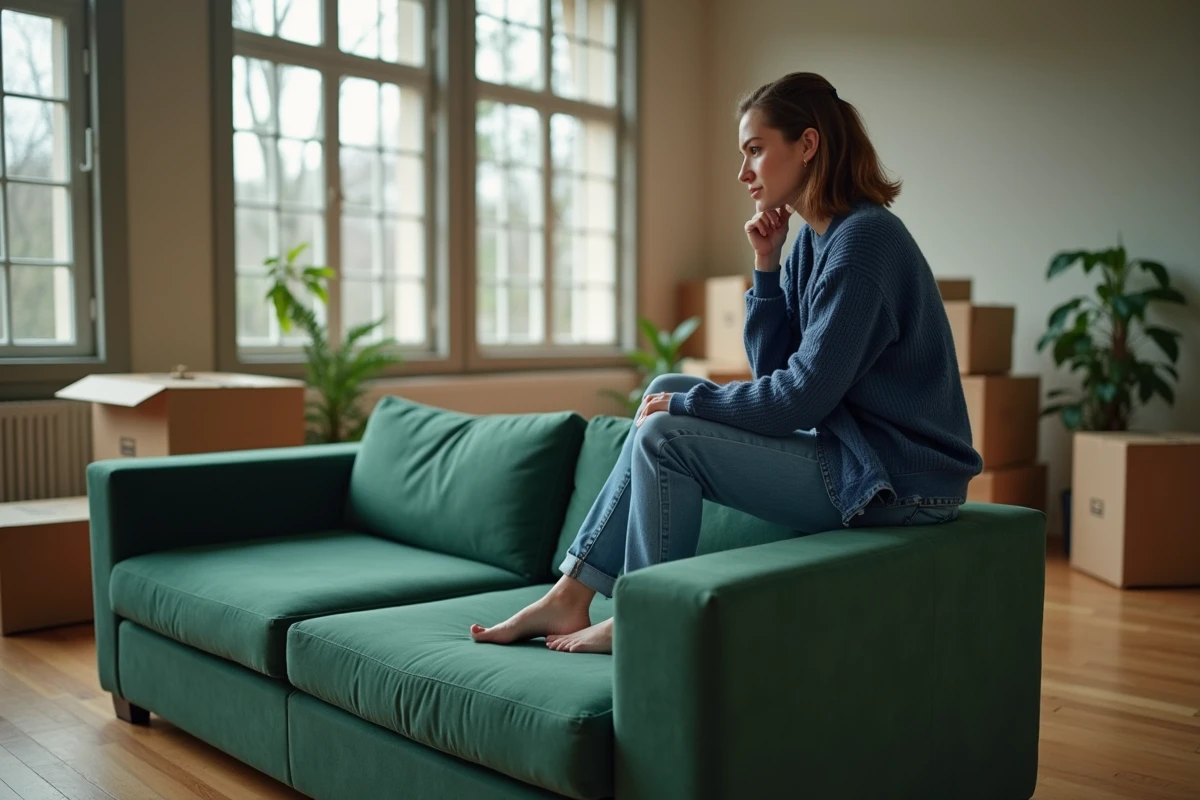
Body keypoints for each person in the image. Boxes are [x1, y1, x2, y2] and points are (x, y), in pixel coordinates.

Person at [470, 71, 983, 654]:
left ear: (808, 145)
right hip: (857, 453)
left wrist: (689, 405)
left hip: (902, 483)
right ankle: (570, 594)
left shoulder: (865, 242)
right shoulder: (814, 241)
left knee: (666, 434)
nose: (743, 172)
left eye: (755, 150)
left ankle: (645, 616)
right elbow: (776, 376)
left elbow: (800, 398)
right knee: (664, 384)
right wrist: (766, 265)